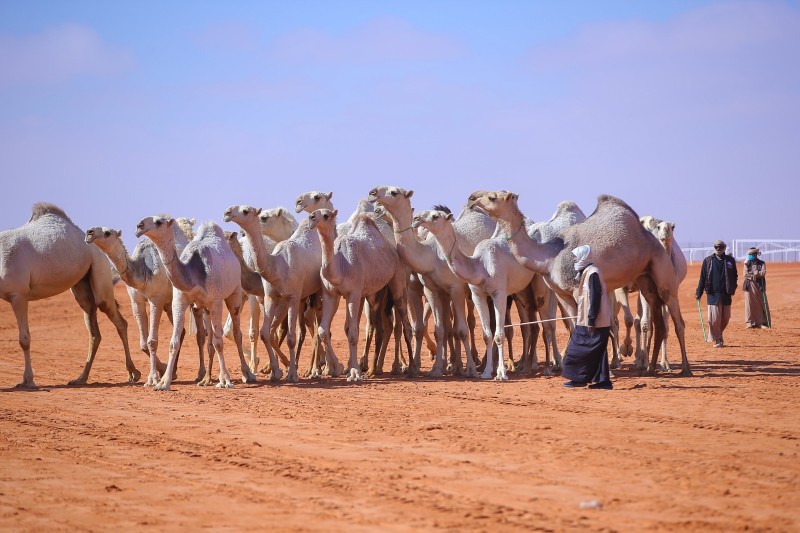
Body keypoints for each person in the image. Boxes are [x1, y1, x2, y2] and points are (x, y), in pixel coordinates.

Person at [562, 245, 613, 390]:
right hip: (588, 320)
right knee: (598, 351)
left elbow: (595, 298)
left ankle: (581, 379)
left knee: (576, 349)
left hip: (594, 322)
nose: (573, 259)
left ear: (583, 257)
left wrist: (591, 319)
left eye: (575, 257)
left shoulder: (593, 273)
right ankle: (601, 382)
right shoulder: (586, 273)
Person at [695, 239, 738, 347]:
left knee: (726, 318)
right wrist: (699, 292)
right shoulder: (708, 260)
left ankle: (718, 333)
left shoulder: (730, 260)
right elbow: (703, 278)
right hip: (713, 294)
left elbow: (735, 275)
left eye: (720, 247)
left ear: (724, 247)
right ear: (714, 248)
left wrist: (733, 286)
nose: (718, 249)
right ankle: (718, 339)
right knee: (713, 320)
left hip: (726, 294)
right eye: (716, 247)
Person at [743, 247, 770, 329]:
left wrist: (754, 273)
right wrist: (755, 275)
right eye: (749, 254)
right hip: (749, 285)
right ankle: (749, 322)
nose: (750, 256)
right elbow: (745, 274)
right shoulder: (746, 263)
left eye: (752, 254)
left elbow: (763, 273)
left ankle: (760, 322)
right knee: (749, 303)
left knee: (760, 303)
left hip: (759, 285)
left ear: (755, 254)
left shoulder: (761, 263)